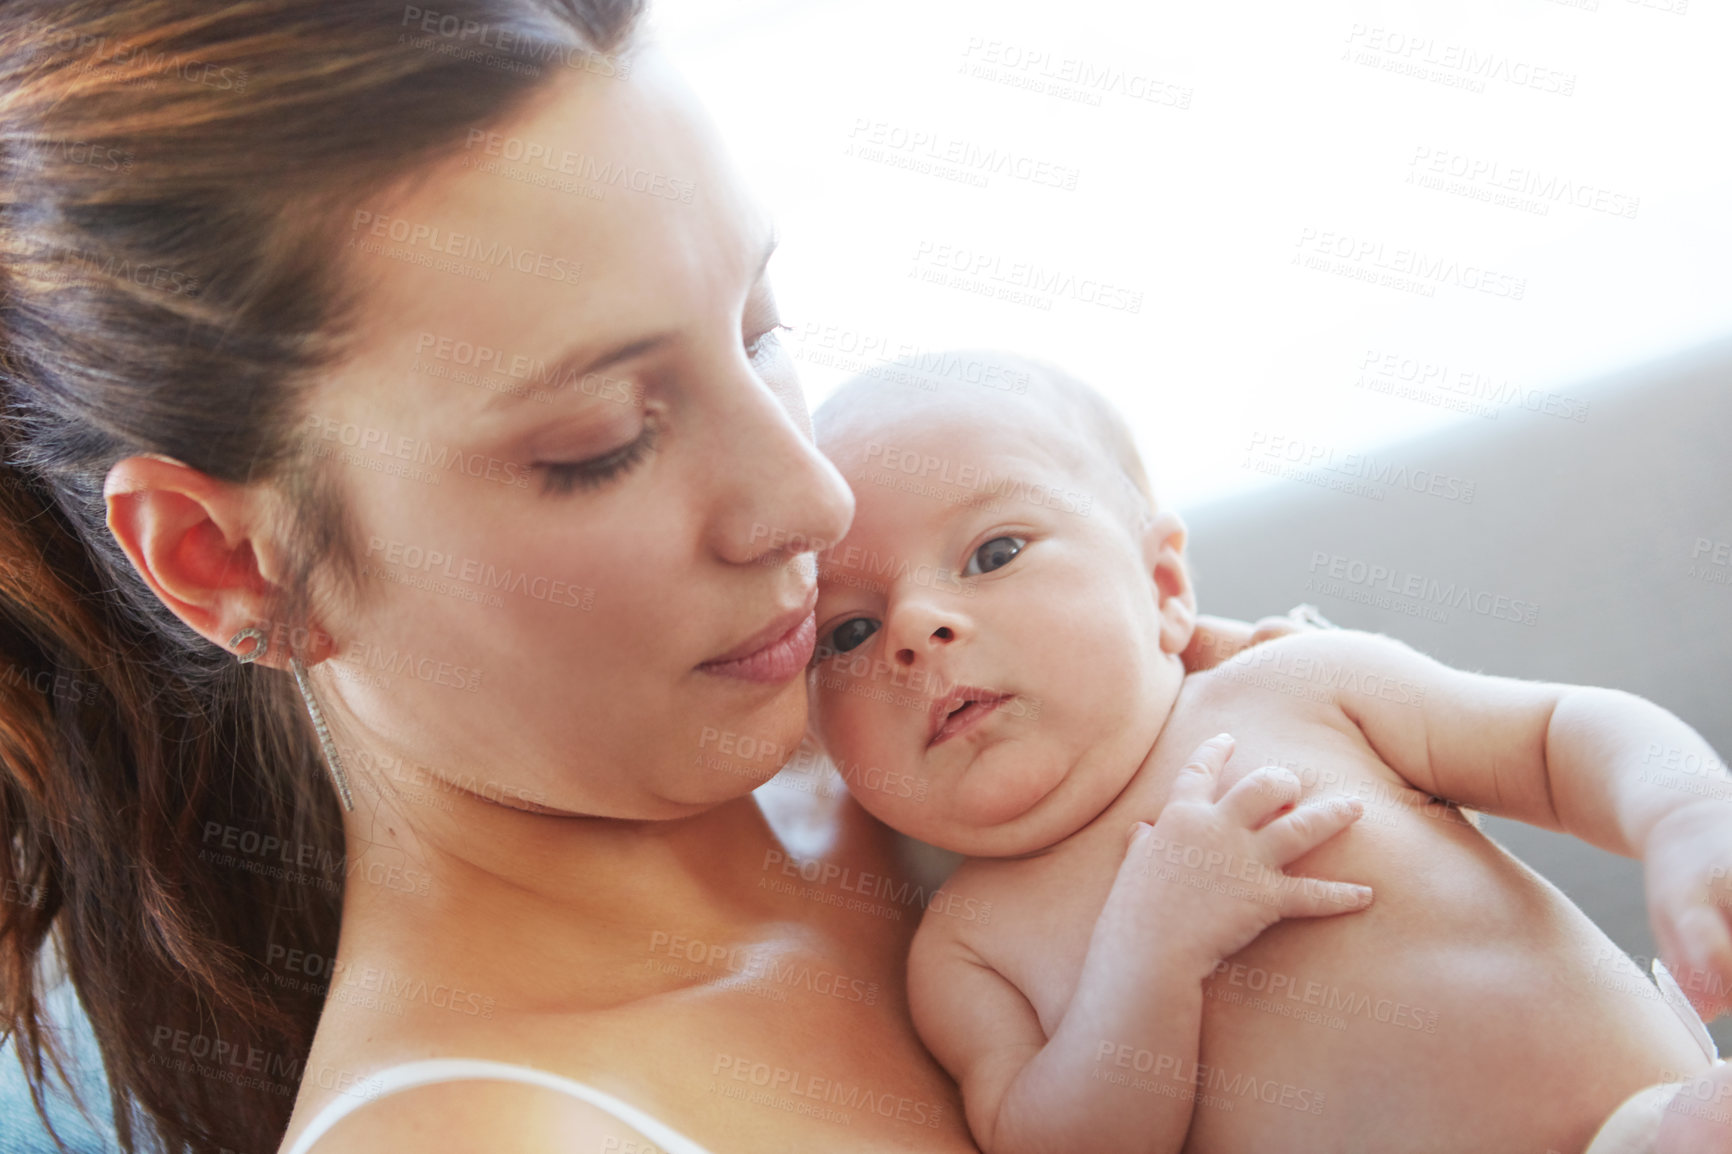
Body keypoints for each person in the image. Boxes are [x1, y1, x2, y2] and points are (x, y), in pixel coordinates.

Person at [0, 4, 1323, 1151]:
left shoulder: (923, 719)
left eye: (760, 328)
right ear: (227, 561)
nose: (814, 496)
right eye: (604, 443)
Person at [803, 352, 1732, 1154]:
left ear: (1164, 586)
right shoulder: (969, 945)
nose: (916, 629)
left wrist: (1683, 813)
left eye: (993, 551)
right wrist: (1150, 950)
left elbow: (1551, 735)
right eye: (847, 633)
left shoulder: (1300, 683)